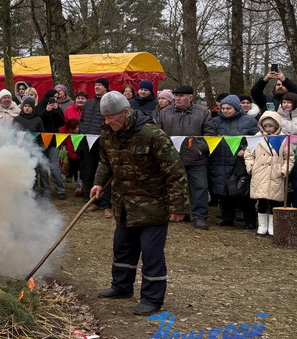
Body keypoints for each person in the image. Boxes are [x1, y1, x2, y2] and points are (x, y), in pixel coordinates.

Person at [91, 91, 189, 316]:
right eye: (105, 117)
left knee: (151, 253)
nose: (108, 122)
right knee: (123, 247)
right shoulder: (108, 133)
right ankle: (121, 287)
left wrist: (178, 206)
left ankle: (152, 299)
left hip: (153, 204)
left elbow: (175, 171)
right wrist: (99, 183)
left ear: (126, 112)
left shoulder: (153, 135)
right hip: (124, 203)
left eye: (112, 117)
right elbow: (106, 162)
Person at [156, 85, 216, 229]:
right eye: (176, 96)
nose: (178, 98)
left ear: (190, 97)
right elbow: (157, 133)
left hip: (196, 158)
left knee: (200, 188)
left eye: (182, 96)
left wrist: (199, 149)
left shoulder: (203, 113)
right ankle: (175, 212)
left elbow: (210, 134)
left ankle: (199, 216)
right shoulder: (164, 113)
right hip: (171, 159)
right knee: (170, 186)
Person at [208, 95, 258, 227]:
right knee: (223, 192)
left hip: (239, 161)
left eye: (228, 108)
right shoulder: (215, 121)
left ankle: (250, 220)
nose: (225, 110)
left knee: (243, 192)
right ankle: (227, 218)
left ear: (236, 108)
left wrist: (245, 148)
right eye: (223, 108)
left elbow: (257, 138)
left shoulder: (249, 121)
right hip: (219, 160)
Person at [245, 112, 294, 236]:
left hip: (276, 174)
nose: (268, 129)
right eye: (265, 126)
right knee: (261, 201)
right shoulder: (256, 138)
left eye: (270, 126)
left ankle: (272, 226)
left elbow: (289, 157)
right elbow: (249, 154)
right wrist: (250, 166)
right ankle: (262, 226)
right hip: (260, 173)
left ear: (276, 126)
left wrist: (284, 170)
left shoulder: (283, 139)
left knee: (274, 201)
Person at [79, 78, 112, 216]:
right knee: (89, 171)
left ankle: (106, 205)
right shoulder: (88, 104)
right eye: (96, 85)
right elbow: (82, 121)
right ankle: (92, 201)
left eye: (100, 85)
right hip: (88, 141)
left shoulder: (109, 102)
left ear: (106, 88)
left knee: (104, 172)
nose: (97, 87)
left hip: (103, 142)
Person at [14, 97, 48, 196]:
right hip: (21, 149)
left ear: (33, 108)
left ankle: (34, 190)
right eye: (25, 106)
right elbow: (12, 133)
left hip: (34, 149)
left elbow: (42, 135)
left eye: (29, 106)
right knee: (22, 170)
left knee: (34, 170)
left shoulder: (38, 119)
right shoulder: (17, 119)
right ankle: (22, 190)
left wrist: (41, 149)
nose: (27, 108)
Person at [36, 89, 67, 199]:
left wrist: (56, 110)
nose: (54, 99)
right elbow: (39, 121)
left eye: (56, 97)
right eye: (53, 97)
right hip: (41, 140)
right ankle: (45, 189)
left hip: (54, 141)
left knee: (54, 166)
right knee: (43, 167)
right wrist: (47, 111)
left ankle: (60, 189)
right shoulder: (40, 106)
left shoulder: (57, 107)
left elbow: (62, 122)